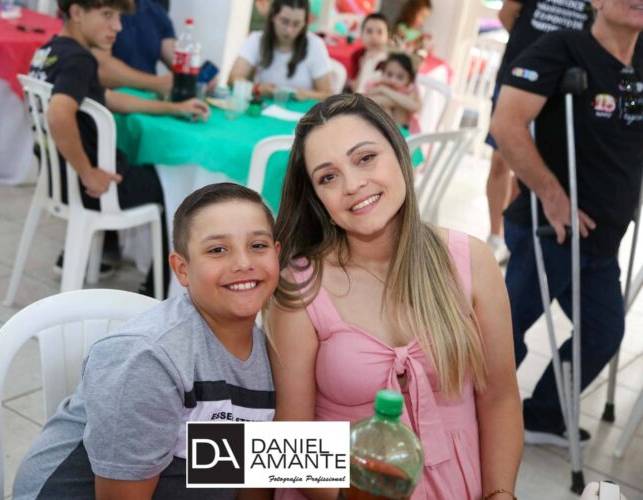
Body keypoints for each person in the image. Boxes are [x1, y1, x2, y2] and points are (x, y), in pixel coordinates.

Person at [267, 94, 522, 499]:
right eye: (328, 177)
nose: (353, 185)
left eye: (366, 158)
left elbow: (500, 398)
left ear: (401, 154)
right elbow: (289, 441)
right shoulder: (300, 289)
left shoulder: (472, 261)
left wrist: (501, 495)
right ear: (317, 199)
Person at [13, 182, 279, 500]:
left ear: (278, 254)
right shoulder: (147, 357)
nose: (243, 263)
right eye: (217, 250)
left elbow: (254, 461)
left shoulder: (269, 351)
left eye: (258, 245)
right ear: (182, 269)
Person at [490, 0, 643, 447]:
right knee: (503, 334)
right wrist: (553, 197)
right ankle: (462, 413)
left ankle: (541, 417)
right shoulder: (562, 48)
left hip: (602, 239)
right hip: (549, 230)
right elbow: (506, 123)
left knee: (603, 330)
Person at [27, 0, 210, 295]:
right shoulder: (81, 60)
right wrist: (87, 173)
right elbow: (59, 114)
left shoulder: (49, 51)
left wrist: (172, 107)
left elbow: (108, 98)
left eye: (118, 17)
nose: (117, 26)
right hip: (92, 189)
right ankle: (159, 290)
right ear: (77, 12)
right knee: (180, 184)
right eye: (107, 15)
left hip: (57, 180)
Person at [484, 0, 593, 263]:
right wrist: (537, 54)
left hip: (561, 90)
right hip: (518, 76)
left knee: (529, 166)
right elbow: (506, 15)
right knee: (500, 160)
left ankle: (511, 238)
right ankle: (494, 234)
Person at [229, 0, 332, 101]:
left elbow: (327, 95)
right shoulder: (256, 40)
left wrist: (308, 95)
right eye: (284, 21)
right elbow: (233, 78)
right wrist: (257, 89)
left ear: (304, 23)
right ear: (273, 16)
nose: (289, 30)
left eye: (296, 24)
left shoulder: (315, 45)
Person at [90, 0, 177, 98]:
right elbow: (101, 69)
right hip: (111, 99)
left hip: (150, 97)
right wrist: (158, 83)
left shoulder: (156, 10)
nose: (118, 27)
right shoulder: (98, 7)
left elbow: (177, 58)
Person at [365, 52, 421, 130]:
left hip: (403, 132)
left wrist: (384, 90)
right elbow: (368, 99)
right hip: (379, 128)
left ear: (409, 80)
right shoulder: (379, 84)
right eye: (389, 74)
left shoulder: (409, 90)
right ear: (383, 73)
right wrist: (399, 101)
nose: (393, 80)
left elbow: (415, 107)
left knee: (400, 108)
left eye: (400, 77)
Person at [349, 12, 391, 93]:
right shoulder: (358, 55)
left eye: (380, 32)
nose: (374, 37)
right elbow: (354, 89)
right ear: (361, 34)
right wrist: (363, 66)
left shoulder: (391, 59)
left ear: (388, 36)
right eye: (369, 31)